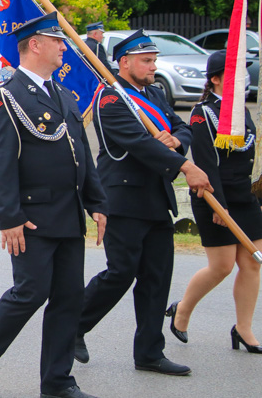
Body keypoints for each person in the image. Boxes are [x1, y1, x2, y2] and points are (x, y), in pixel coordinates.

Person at [0, 12, 108, 398]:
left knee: (68, 298)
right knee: (31, 291)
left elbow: (82, 155)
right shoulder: (6, 94)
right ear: (35, 45)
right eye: (58, 41)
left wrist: (97, 203)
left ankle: (57, 381)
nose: (65, 48)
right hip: (30, 215)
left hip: (68, 213)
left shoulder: (62, 95)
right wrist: (8, 217)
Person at [75, 29, 212, 376]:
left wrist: (176, 142)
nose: (153, 67)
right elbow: (137, 142)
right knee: (121, 272)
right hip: (123, 197)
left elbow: (183, 128)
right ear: (124, 63)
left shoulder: (153, 93)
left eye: (154, 60)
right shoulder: (110, 98)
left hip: (155, 198)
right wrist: (185, 165)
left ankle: (149, 351)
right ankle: (73, 325)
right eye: (146, 61)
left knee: (157, 276)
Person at [167, 49, 262, 354]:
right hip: (213, 195)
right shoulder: (203, 112)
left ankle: (243, 329)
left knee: (251, 263)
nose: (243, 79)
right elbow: (206, 162)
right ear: (216, 79)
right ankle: (181, 311)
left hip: (244, 198)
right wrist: (217, 206)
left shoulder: (242, 111)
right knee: (221, 267)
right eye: (236, 74)